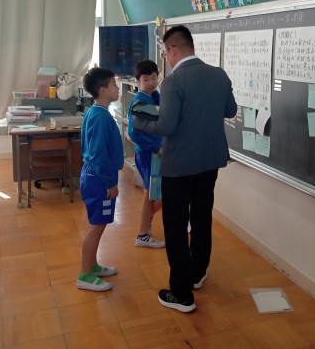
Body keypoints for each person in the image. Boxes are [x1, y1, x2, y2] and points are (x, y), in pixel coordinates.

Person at [133, 25, 237, 313]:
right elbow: (230, 110)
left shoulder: (173, 82)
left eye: (165, 53)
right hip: (210, 162)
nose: (166, 58)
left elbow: (166, 126)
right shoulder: (219, 74)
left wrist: (140, 120)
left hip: (178, 166)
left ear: (173, 50)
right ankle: (198, 273)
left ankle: (181, 293)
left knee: (176, 226)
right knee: (202, 217)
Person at [76, 67, 124, 292]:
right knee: (96, 226)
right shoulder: (101, 116)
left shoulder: (95, 112)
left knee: (96, 223)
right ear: (103, 90)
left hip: (94, 176)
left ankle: (92, 265)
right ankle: (85, 275)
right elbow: (97, 154)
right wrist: (109, 182)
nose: (118, 88)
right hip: (98, 179)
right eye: (114, 84)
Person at [127, 60, 166, 249]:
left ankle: (145, 229)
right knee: (154, 194)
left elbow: (159, 115)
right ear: (138, 80)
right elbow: (133, 133)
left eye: (154, 78)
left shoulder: (151, 97)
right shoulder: (140, 101)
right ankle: (143, 232)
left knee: (152, 194)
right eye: (146, 79)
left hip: (153, 153)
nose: (151, 82)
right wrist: (155, 148)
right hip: (148, 154)